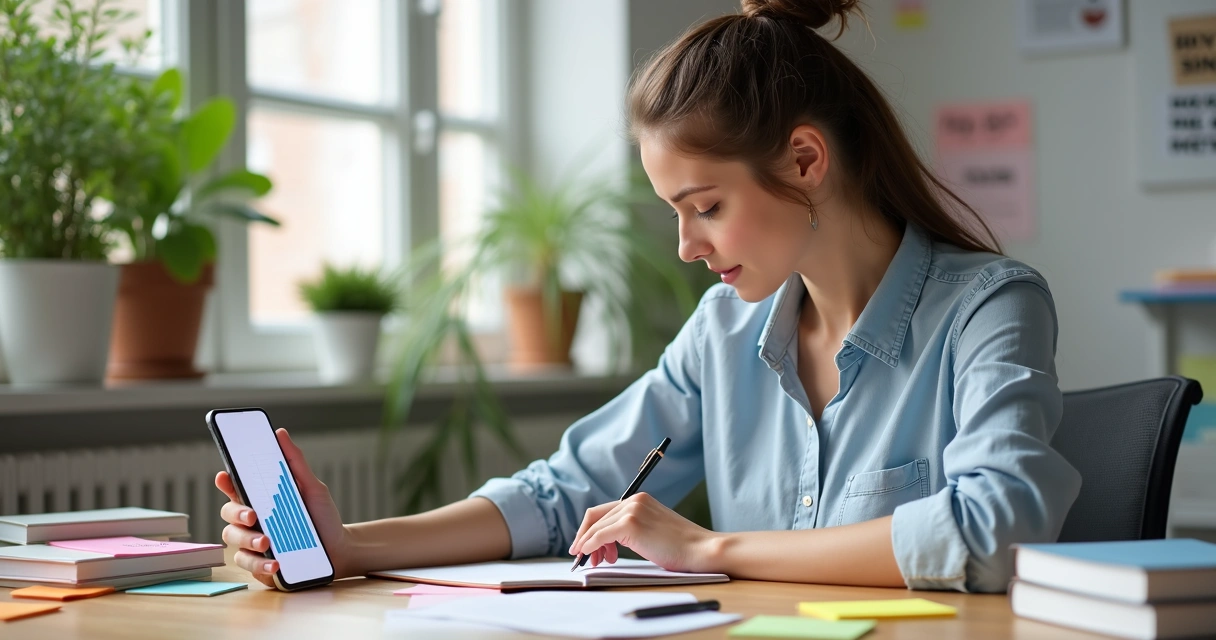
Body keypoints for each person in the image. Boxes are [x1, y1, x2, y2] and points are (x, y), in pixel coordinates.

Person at [216, 0, 1080, 594]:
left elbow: (998, 528)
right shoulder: (724, 332)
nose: (686, 245)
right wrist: (348, 547)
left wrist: (708, 548)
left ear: (806, 161)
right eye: (677, 213)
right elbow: (564, 495)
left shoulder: (989, 308)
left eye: (706, 207)